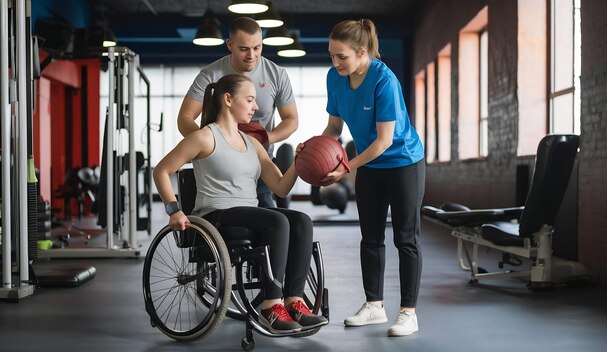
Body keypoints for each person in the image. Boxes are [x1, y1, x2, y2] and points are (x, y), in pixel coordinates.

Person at [153, 74, 327, 334]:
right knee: (276, 220)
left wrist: (299, 162)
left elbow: (280, 186)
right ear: (228, 100)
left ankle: (294, 301)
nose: (255, 107)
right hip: (215, 217)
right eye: (249, 100)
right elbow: (161, 170)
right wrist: (174, 209)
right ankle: (271, 305)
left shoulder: (253, 143)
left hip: (249, 214)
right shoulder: (204, 137)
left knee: (300, 220)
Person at [322, 19, 425, 337]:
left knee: (405, 238)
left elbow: (383, 141)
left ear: (362, 52)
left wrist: (346, 167)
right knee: (370, 237)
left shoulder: (384, 80)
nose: (335, 62)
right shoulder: (335, 78)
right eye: (332, 55)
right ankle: (374, 305)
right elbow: (334, 129)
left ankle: (408, 312)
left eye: (342, 56)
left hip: (403, 162)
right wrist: (318, 150)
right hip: (369, 165)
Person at [177, 16, 298, 208]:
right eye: (244, 49)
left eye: (257, 48)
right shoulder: (211, 74)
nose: (251, 55)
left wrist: (268, 137)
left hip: (259, 161)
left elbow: (291, 119)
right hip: (221, 168)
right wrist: (213, 146)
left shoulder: (276, 74)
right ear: (230, 45)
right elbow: (185, 117)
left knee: (274, 221)